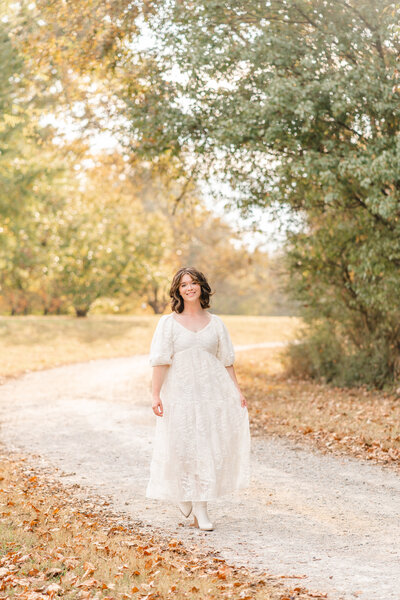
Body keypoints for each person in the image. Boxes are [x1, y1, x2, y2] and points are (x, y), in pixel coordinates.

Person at [145, 266, 251, 531]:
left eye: (193, 283)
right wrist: (155, 394)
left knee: (205, 446)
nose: (189, 288)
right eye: (183, 285)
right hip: (179, 394)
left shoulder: (216, 324)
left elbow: (226, 361)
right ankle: (182, 493)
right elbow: (160, 361)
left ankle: (202, 509)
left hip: (209, 395)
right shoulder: (168, 324)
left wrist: (236, 391)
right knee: (180, 444)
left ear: (202, 287)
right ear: (178, 291)